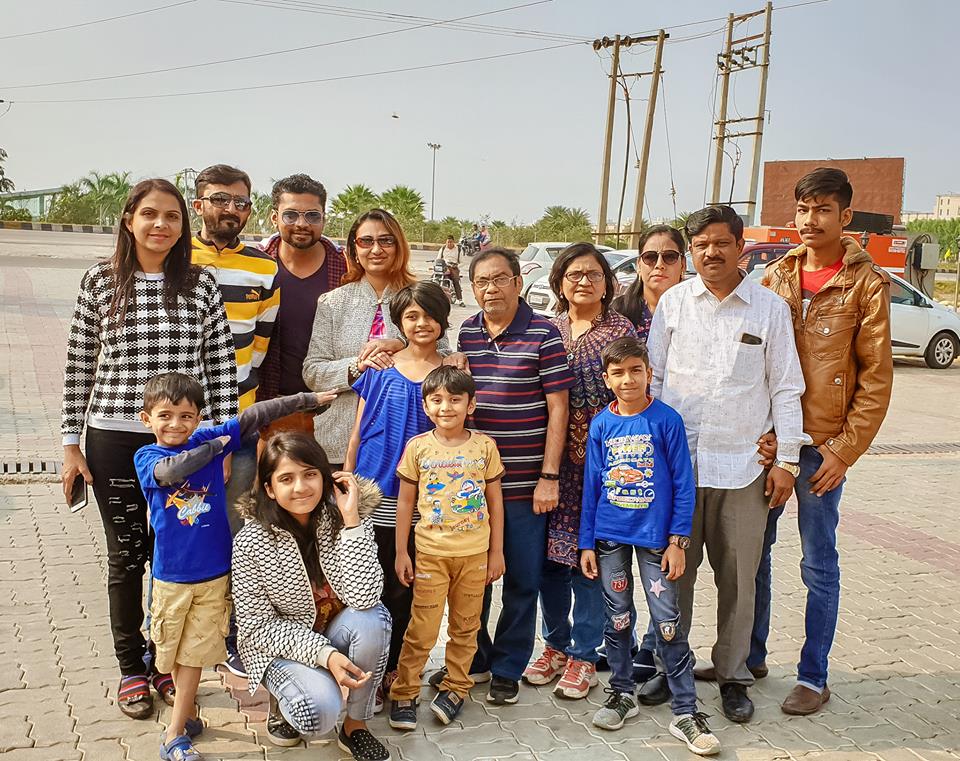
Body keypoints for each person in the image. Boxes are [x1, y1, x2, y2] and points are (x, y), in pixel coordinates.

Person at [60, 179, 236, 721]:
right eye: (150, 215)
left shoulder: (201, 285)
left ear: (185, 226)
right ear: (129, 219)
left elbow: (220, 367)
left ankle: (167, 659)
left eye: (173, 217)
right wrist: (71, 444)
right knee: (126, 556)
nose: (161, 225)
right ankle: (131, 666)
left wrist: (223, 442)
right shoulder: (99, 281)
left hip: (187, 443)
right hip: (114, 438)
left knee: (175, 551)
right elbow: (78, 365)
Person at [647, 204, 809, 723]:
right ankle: (671, 667)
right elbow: (651, 382)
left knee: (740, 579)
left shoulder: (768, 309)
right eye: (701, 245)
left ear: (742, 246)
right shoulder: (673, 304)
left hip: (744, 469)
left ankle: (734, 675)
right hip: (679, 469)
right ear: (691, 252)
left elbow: (786, 387)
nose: (711, 252)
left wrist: (786, 460)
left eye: (721, 242)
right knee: (675, 577)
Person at [134, 374, 333, 760]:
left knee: (193, 652)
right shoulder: (148, 458)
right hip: (171, 578)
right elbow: (172, 472)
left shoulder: (206, 438)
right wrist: (217, 446)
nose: (176, 424)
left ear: (198, 417)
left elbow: (258, 412)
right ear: (147, 419)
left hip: (214, 576)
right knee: (170, 652)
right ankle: (186, 712)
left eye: (186, 416)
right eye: (165, 416)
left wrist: (305, 398)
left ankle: (174, 734)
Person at [754, 168, 893, 715]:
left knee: (818, 564)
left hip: (823, 448)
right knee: (753, 553)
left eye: (824, 210)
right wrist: (761, 432)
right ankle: (748, 654)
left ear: (846, 217)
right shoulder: (775, 276)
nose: (811, 221)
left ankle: (813, 676)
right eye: (804, 210)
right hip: (771, 443)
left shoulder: (865, 283)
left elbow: (876, 378)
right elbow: (756, 361)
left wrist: (843, 451)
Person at [579, 337, 719, 756]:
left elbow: (683, 484)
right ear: (606, 379)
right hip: (609, 540)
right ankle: (622, 692)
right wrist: (587, 542)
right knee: (618, 620)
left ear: (649, 373)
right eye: (618, 373)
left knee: (668, 622)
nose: (627, 379)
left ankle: (686, 710)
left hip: (657, 541)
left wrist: (679, 542)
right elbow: (591, 485)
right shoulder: (602, 424)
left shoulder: (666, 420)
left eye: (635, 371)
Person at [455, 248, 574, 705]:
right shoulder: (467, 333)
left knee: (522, 580)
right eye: (481, 282)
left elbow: (558, 408)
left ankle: (508, 665)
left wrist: (549, 476)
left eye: (499, 279)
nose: (490, 289)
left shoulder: (544, 333)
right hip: (471, 485)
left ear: (518, 282)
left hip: (526, 486)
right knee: (474, 579)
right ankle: (475, 659)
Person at [232, 432, 391, 761]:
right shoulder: (250, 540)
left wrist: (351, 522)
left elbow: (365, 596)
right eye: (286, 479)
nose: (301, 487)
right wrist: (325, 656)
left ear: (324, 476)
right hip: (281, 645)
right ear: (269, 489)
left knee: (373, 618)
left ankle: (355, 726)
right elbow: (256, 626)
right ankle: (290, 696)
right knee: (316, 713)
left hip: (335, 629)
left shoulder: (343, 519)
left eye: (309, 474)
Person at [524, 243, 635, 700]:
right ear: (558, 282)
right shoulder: (549, 329)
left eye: (593, 273)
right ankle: (554, 644)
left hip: (601, 466)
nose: (583, 281)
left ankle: (586, 653)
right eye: (573, 274)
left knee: (588, 561)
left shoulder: (619, 329)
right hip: (549, 464)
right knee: (551, 559)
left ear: (608, 282)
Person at [191, 163, 280, 678]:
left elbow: (260, 345)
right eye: (220, 199)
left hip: (240, 424)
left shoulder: (263, 267)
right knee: (182, 528)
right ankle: (177, 633)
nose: (231, 210)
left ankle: (236, 634)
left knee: (240, 530)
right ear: (198, 202)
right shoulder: (176, 257)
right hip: (179, 429)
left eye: (241, 202)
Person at [344, 282, 449, 705]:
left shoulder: (449, 374)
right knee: (373, 581)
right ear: (399, 322)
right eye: (411, 316)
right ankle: (364, 664)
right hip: (374, 491)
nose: (421, 324)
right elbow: (358, 429)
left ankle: (396, 671)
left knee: (408, 585)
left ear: (443, 319)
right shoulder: (380, 368)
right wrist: (347, 476)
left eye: (429, 315)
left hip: (425, 500)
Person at [389, 366, 506, 728]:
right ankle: (405, 691)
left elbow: (496, 503)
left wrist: (497, 552)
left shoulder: (484, 446)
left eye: (455, 400)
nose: (446, 407)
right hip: (430, 554)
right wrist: (401, 552)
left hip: (474, 556)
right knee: (421, 627)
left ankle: (457, 686)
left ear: (471, 404)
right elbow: (405, 504)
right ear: (425, 406)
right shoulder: (418, 448)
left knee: (466, 626)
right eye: (437, 400)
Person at [301, 208, 421, 470]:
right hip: (339, 446)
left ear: (398, 246)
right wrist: (359, 365)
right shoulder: (333, 303)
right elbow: (312, 373)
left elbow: (442, 358)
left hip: (407, 445)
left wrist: (402, 345)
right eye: (366, 241)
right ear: (354, 250)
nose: (376, 249)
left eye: (386, 240)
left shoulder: (420, 296)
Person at [257, 174, 348, 440]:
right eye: (291, 215)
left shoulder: (347, 268)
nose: (302, 224)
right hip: (271, 408)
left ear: (323, 218)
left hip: (335, 408)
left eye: (312, 215)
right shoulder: (255, 267)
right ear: (274, 218)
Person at [611, 225, 687, 340]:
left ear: (683, 265)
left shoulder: (697, 312)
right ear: (639, 265)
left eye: (670, 257)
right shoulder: (618, 313)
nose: (659, 265)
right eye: (650, 257)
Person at [437, 235, 464, 305]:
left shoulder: (458, 249)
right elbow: (438, 259)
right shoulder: (443, 248)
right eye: (448, 242)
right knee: (435, 277)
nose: (449, 244)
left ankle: (460, 300)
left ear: (453, 242)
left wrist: (456, 266)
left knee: (456, 280)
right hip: (444, 266)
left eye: (450, 242)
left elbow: (462, 262)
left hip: (454, 267)